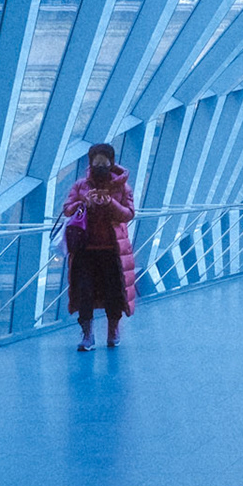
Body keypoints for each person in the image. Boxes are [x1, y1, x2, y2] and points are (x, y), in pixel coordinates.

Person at [62, 142, 137, 352]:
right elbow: (67, 209)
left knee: (114, 292)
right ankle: (87, 334)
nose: (100, 166)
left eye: (104, 162)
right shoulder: (80, 186)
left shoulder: (122, 187)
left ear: (111, 163)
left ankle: (113, 331)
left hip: (112, 250)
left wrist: (109, 203)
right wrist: (83, 203)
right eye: (97, 162)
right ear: (91, 162)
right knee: (84, 292)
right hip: (85, 250)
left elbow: (129, 214)